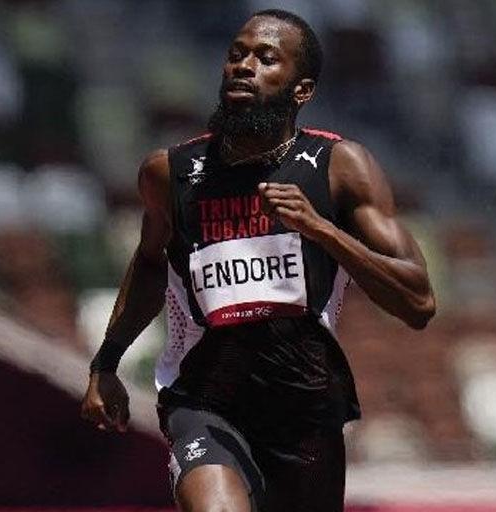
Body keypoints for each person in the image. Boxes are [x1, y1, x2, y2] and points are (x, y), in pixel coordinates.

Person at [81, 8, 435, 512]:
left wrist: (322, 230)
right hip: (203, 399)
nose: (243, 66)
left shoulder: (340, 168)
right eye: (236, 55)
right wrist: (106, 362)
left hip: (304, 410)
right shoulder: (170, 172)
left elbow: (418, 301)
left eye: (266, 59)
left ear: (302, 90)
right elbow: (150, 263)